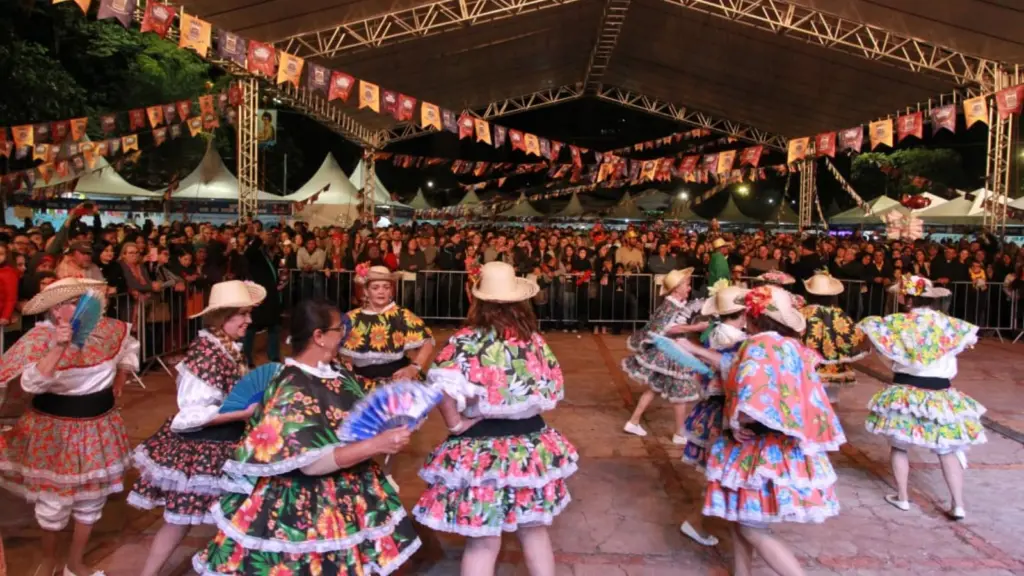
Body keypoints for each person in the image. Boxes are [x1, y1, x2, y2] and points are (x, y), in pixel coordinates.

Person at [192, 299, 422, 575]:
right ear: (319, 337)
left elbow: (361, 406)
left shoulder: (335, 371)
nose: (346, 335)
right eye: (340, 329)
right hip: (305, 506)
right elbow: (311, 463)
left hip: (347, 492)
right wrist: (375, 444)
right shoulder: (292, 386)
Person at [414, 262, 578, 576]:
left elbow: (440, 388)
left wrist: (456, 425)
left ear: (478, 299)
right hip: (529, 446)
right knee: (534, 531)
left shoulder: (463, 342)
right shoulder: (534, 342)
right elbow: (551, 390)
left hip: (480, 447)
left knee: (483, 542)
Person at [675, 285, 845, 576]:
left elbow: (755, 393)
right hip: (783, 448)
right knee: (743, 516)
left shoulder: (757, 346)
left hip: (760, 448)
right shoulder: (792, 347)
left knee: (753, 528)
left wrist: (739, 421)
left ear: (751, 318)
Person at [0, 278, 139, 576]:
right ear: (53, 312)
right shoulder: (40, 340)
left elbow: (129, 348)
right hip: (56, 431)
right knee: (54, 503)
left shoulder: (109, 330)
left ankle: (75, 563)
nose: (74, 309)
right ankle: (49, 561)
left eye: (79, 301)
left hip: (100, 427)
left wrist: (120, 379)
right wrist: (59, 347)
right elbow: (30, 383)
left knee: (91, 499)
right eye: (65, 304)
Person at [127, 280, 266, 576]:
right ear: (222, 316)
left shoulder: (226, 347)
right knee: (181, 520)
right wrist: (243, 412)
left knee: (216, 520)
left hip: (226, 444)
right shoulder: (206, 351)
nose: (249, 320)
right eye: (242, 314)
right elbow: (188, 416)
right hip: (204, 448)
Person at [859, 275, 986, 519]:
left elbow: (872, 333)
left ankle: (903, 497)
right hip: (940, 393)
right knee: (946, 449)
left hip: (905, 392)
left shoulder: (895, 323)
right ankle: (958, 504)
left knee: (899, 444)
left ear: (907, 299)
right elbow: (970, 339)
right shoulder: (950, 325)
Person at [677, 280, 748, 547]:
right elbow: (731, 369)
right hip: (724, 410)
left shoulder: (715, 333)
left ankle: (710, 521)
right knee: (724, 471)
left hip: (712, 407)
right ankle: (702, 522)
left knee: (721, 472)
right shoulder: (737, 340)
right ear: (742, 315)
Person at [621, 268, 706, 441]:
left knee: (654, 387)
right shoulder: (670, 305)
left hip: (670, 351)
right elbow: (665, 329)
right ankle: (679, 434)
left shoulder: (672, 304)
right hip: (670, 354)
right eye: (687, 285)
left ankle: (634, 421)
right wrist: (695, 328)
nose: (689, 288)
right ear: (676, 288)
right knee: (679, 393)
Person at [800, 271, 865, 404]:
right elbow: (853, 335)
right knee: (831, 401)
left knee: (808, 400)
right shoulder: (838, 313)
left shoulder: (804, 312)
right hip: (834, 367)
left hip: (808, 365)